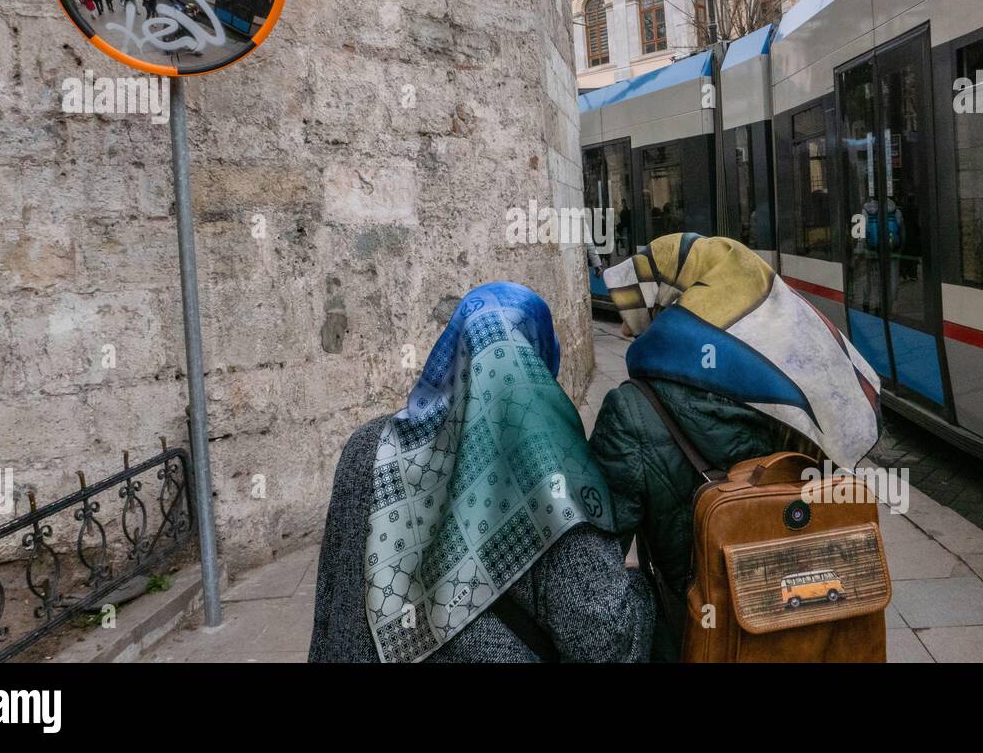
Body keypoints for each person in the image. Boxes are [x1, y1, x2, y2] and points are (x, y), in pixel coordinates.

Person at [310, 282, 654, 663]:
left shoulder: (366, 446)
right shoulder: (554, 482)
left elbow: (332, 597)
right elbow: (605, 645)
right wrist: (643, 589)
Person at [590, 233, 882, 660]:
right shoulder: (801, 391)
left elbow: (593, 575)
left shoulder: (631, 410)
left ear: (678, 307)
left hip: (700, 637)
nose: (625, 326)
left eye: (644, 307)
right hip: (813, 632)